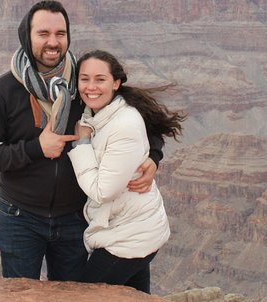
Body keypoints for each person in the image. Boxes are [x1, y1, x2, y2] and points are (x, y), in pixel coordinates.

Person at [0, 0, 164, 281]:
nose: (53, 42)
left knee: (71, 293)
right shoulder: (3, 91)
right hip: (19, 217)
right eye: (43, 34)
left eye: (60, 34)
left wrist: (154, 157)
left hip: (74, 218)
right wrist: (37, 148)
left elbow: (140, 119)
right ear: (27, 36)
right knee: (19, 294)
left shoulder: (85, 83)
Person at [68, 49, 185, 293]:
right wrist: (154, 154)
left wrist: (81, 144)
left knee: (85, 295)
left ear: (116, 83)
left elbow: (103, 191)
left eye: (100, 79)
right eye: (84, 78)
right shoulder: (96, 112)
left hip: (128, 238)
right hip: (136, 230)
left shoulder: (124, 124)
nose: (91, 86)